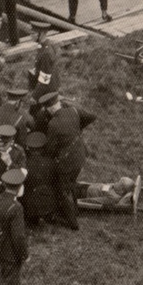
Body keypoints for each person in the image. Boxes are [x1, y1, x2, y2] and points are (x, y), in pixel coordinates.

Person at [38, 92, 94, 231]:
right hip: (80, 155)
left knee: (62, 190)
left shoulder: (53, 124)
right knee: (71, 183)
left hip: (67, 162)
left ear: (50, 109)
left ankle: (72, 223)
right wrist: (78, 130)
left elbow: (50, 149)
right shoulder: (73, 111)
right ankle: (74, 210)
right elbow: (91, 116)